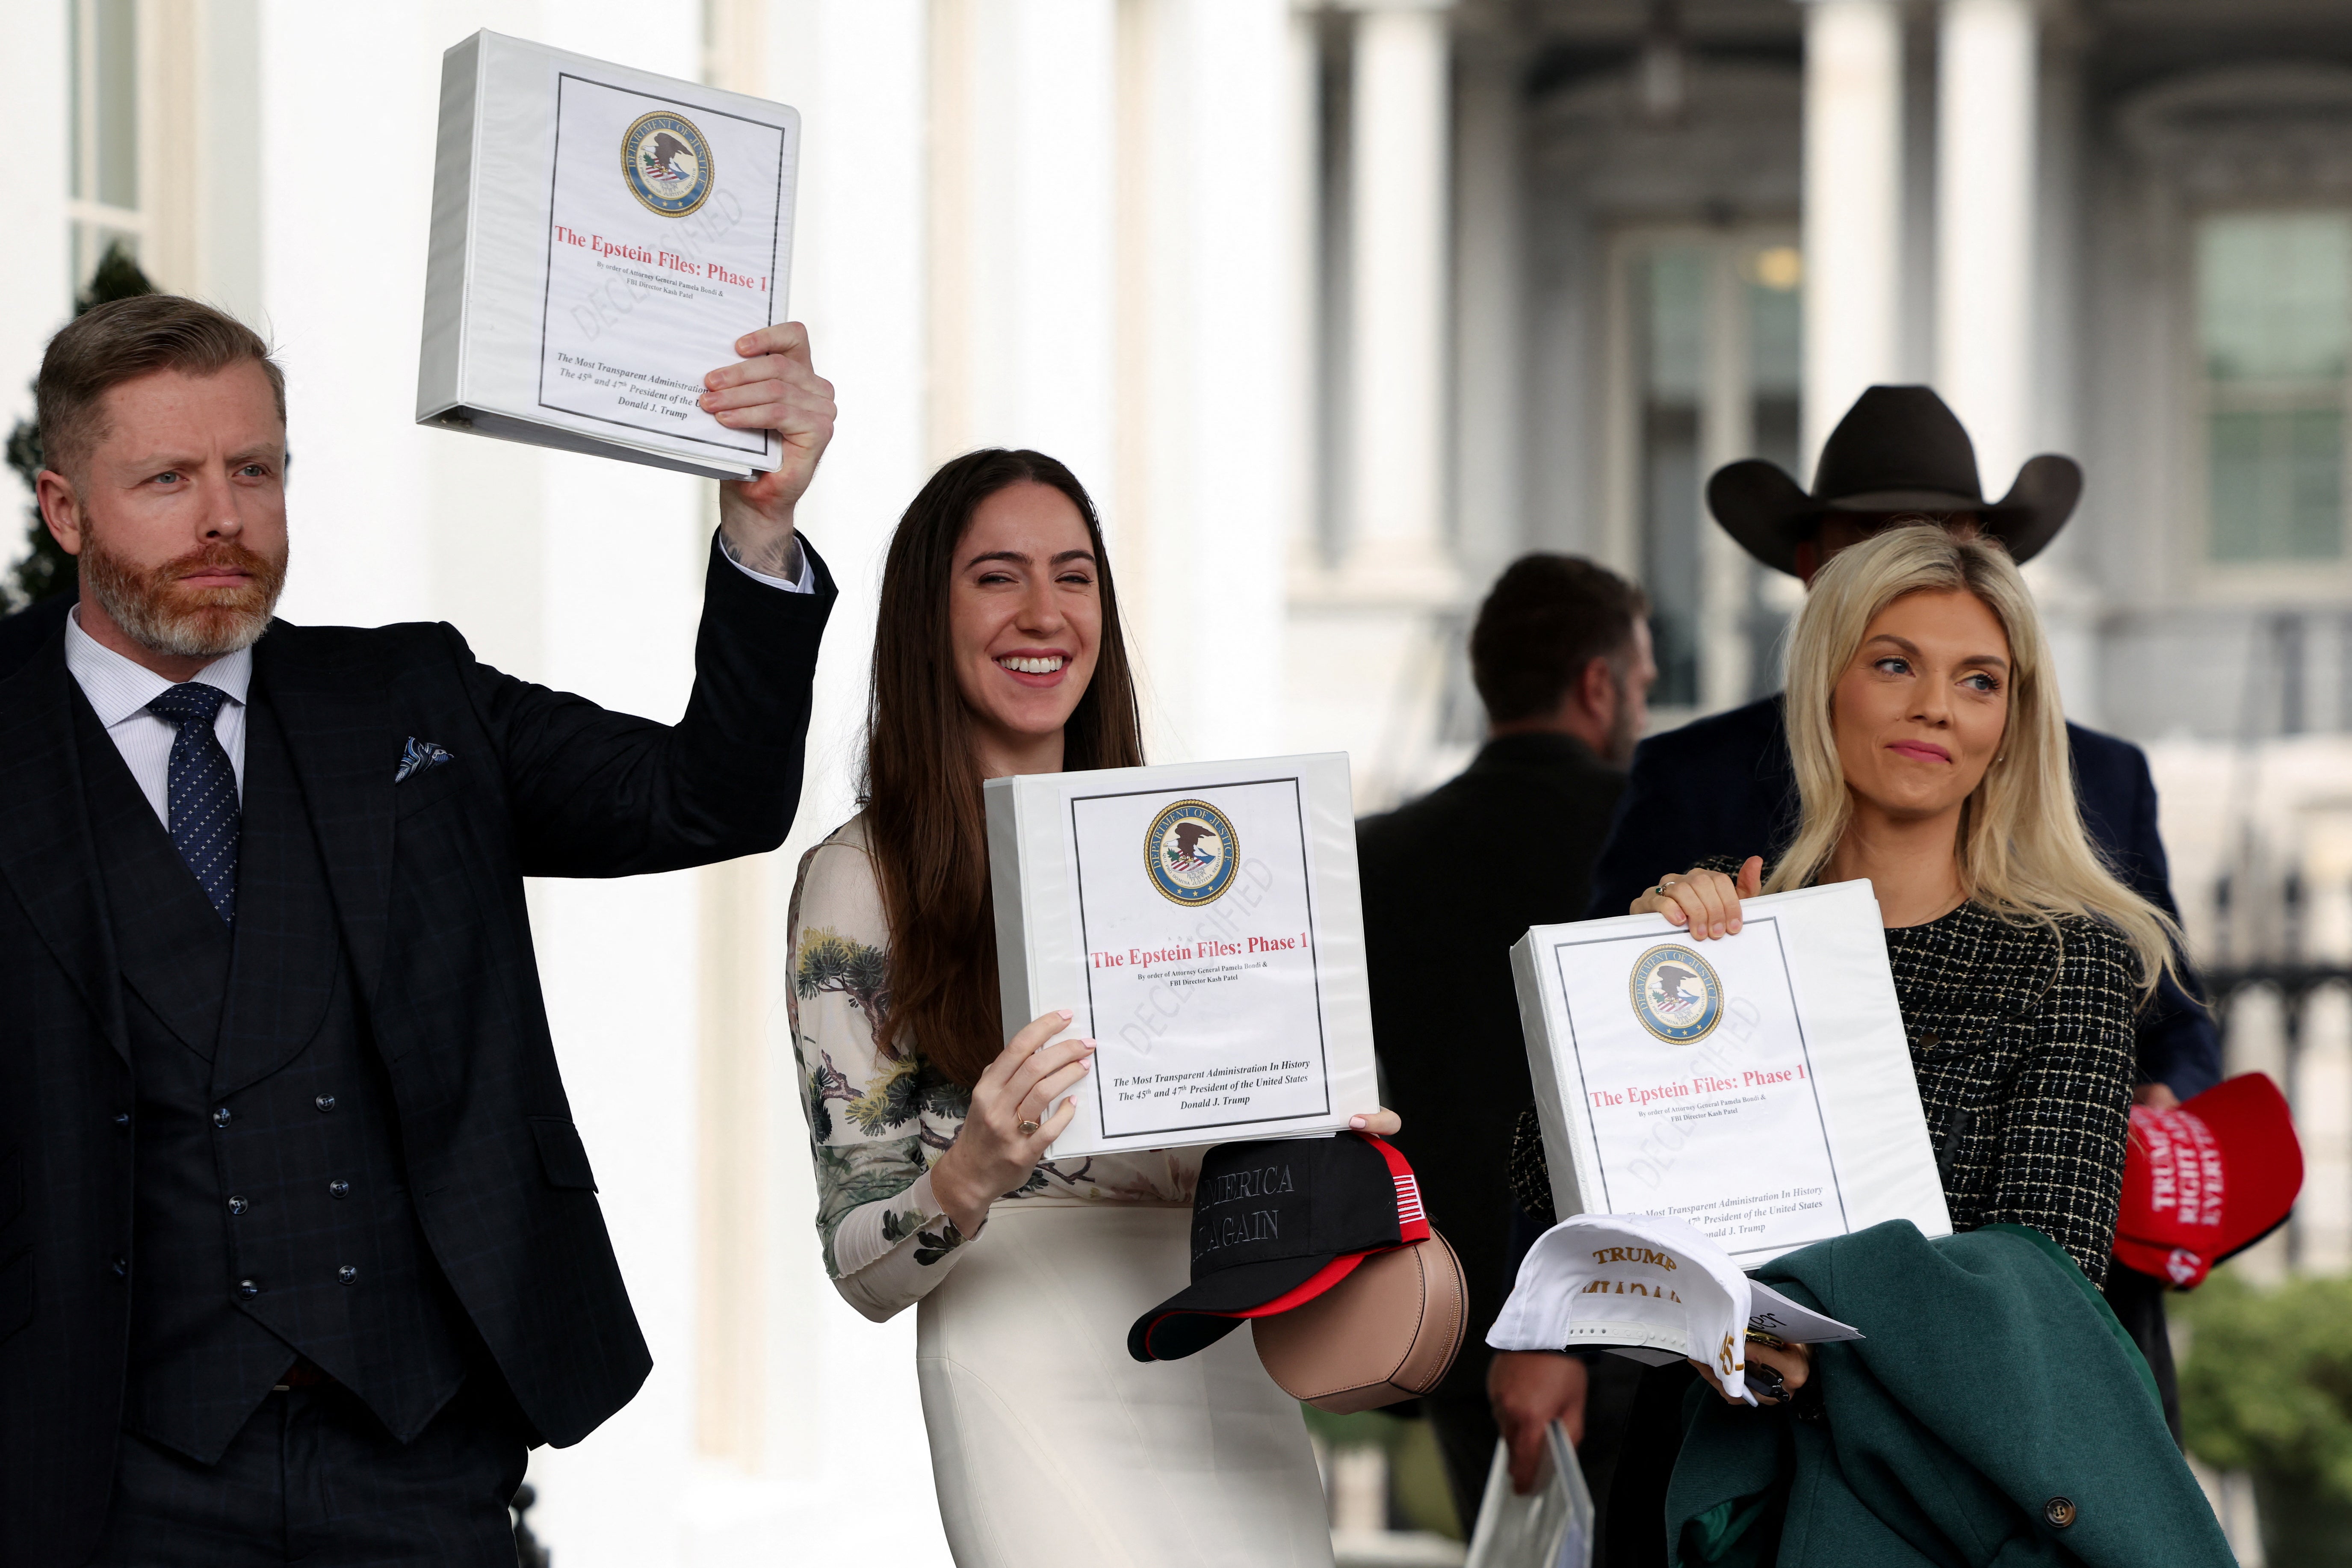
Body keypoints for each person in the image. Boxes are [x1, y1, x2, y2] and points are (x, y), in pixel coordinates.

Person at [0, 294, 836, 1565]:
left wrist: (759, 526)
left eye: (255, 470)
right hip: (106, 1476)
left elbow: (708, 795)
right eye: (167, 478)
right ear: (64, 510)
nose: (224, 516)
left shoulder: (411, 694)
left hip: (417, 1458)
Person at [784, 448, 1397, 1568]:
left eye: (1073, 576)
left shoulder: (1183, 853)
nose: (1043, 611)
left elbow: (1244, 1135)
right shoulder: (860, 881)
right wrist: (970, 1168)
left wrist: (1322, 1127)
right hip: (1023, 1353)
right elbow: (855, 1261)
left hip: (1215, 1335)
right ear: (929, 612)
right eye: (996, 576)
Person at [1527, 522, 2183, 1566]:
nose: (1935, 705)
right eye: (1894, 664)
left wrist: (1796, 1348)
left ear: (2009, 724)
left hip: (1935, 1502)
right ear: (1827, 685)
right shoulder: (1720, 929)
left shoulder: (2070, 962)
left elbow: (2041, 1285)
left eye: (1978, 681)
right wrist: (1630, 994)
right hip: (1708, 1483)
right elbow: (1554, 1202)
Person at [1586, 385, 2219, 1110]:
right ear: (1813, 567)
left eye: (1940, 535)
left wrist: (2152, 1108)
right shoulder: (1692, 774)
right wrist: (1638, 954)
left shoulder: (2105, 781)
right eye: (1876, 537)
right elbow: (1597, 1072)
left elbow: (2171, 1009)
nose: (1909, 561)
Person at [1354, 554, 1655, 1538]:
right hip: (1643, 1315)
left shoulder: (1372, 857)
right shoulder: (1654, 841)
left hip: (1449, 1315)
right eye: (1642, 684)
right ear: (1599, 684)